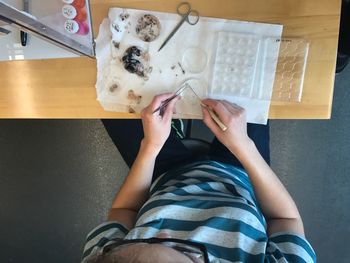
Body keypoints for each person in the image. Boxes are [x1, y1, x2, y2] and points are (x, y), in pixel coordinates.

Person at [81, 94, 316, 263]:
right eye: (188, 254)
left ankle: (173, 126)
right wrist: (244, 146)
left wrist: (151, 146)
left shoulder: (106, 256)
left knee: (113, 96)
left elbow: (124, 209)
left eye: (147, 241)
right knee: (251, 87)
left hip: (165, 175)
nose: (163, 234)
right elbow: (285, 218)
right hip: (240, 172)